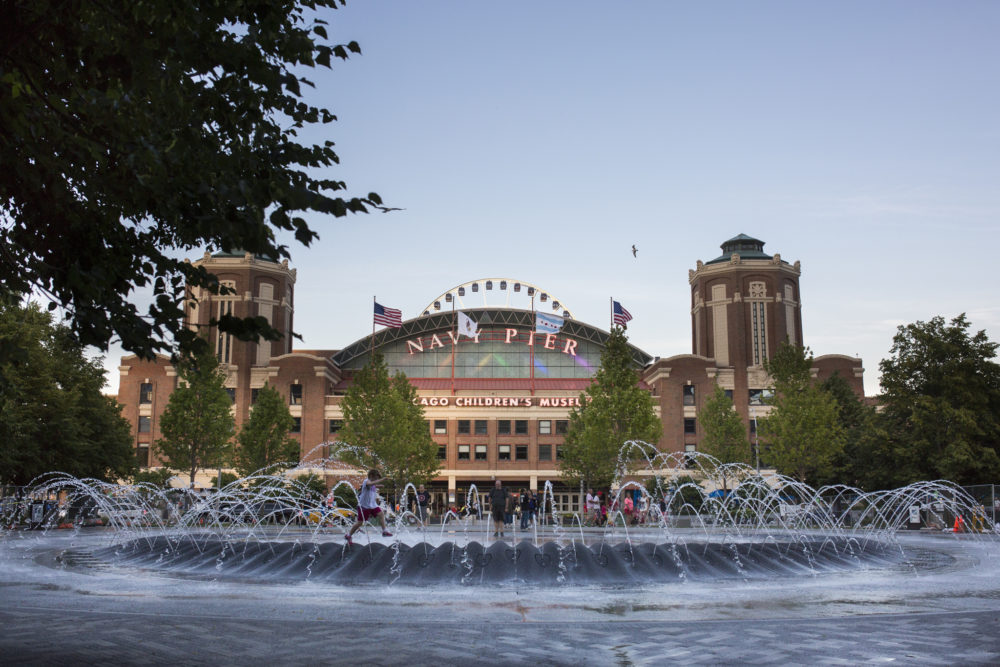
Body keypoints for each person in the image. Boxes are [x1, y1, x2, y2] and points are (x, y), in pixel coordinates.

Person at [345, 469, 392, 545]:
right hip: (364, 506)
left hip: (372, 505)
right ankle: (349, 535)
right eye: (376, 478)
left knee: (381, 514)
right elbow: (370, 484)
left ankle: (384, 531)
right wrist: (381, 480)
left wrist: (378, 486)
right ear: (371, 476)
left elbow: (372, 485)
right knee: (359, 523)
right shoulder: (366, 481)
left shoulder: (372, 483)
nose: (376, 480)